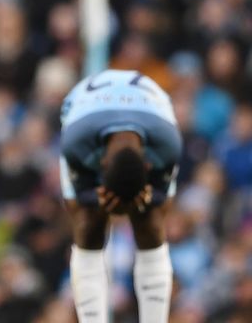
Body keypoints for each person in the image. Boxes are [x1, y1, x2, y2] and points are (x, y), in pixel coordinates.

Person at [59, 69, 182, 323]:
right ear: (101, 163)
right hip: (85, 113)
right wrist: (97, 200)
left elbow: (163, 205)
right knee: (88, 222)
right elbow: (76, 204)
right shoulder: (76, 143)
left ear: (148, 166)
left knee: (151, 220)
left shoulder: (167, 144)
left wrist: (148, 199)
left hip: (152, 113)